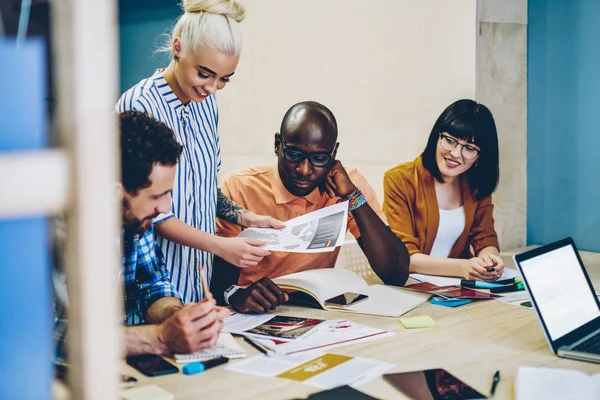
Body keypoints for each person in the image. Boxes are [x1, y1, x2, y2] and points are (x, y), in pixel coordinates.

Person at [115, 0, 283, 304]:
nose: (212, 87)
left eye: (224, 79)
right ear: (178, 47)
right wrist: (220, 246)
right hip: (148, 292)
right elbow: (145, 210)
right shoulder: (139, 105)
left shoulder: (206, 105)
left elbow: (205, 188)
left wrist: (246, 218)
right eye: (204, 73)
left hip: (195, 287)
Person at [53, 111, 228, 362]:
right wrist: (159, 338)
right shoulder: (45, 235)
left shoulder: (133, 220)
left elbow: (152, 284)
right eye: (157, 196)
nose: (166, 207)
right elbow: (44, 336)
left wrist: (178, 315)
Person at [211, 101, 411, 313]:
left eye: (319, 158)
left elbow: (396, 273)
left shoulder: (348, 185)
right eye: (294, 155)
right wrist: (236, 294)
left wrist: (353, 197)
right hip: (254, 314)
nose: (304, 170)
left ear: (334, 153)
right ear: (277, 144)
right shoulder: (240, 186)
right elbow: (217, 285)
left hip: (317, 311)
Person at [382, 99, 505, 282]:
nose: (455, 154)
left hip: (459, 289)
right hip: (411, 287)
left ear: (479, 157)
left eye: (469, 148)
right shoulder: (400, 180)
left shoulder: (476, 184)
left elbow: (485, 238)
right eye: (449, 140)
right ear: (436, 137)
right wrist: (463, 267)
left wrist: (490, 260)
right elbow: (404, 257)